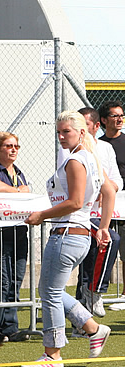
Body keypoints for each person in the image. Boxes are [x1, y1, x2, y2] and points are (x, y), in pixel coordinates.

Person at [23, 111, 112, 367]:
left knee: (49, 292)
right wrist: (103, 227)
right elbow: (108, 191)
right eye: (59, 132)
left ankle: (53, 354)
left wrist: (41, 215)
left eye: (66, 132)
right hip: (79, 234)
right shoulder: (91, 158)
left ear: (82, 132)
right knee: (52, 290)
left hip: (68, 233)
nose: (61, 137)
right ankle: (93, 328)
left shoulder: (76, 160)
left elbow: (74, 201)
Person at [69, 107, 121, 318]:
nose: (78, 130)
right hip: (80, 215)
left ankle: (91, 299)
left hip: (99, 214)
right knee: (107, 242)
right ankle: (89, 300)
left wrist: (107, 188)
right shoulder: (71, 151)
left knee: (100, 249)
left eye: (84, 125)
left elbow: (116, 180)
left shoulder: (105, 149)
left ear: (95, 126)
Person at [0, 132, 30, 342]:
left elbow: (27, 190)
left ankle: (10, 326)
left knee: (16, 278)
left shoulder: (18, 172)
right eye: (8, 146)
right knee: (1, 279)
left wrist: (18, 191)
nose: (13, 149)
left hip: (18, 231)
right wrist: (19, 192)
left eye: (16, 146)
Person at [97, 101, 125, 312]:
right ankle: (96, 293)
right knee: (103, 247)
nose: (119, 119)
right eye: (115, 116)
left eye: (121, 115)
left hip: (123, 203)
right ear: (103, 121)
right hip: (102, 205)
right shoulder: (98, 146)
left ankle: (124, 294)